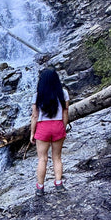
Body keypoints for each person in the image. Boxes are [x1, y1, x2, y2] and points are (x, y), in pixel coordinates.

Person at [30, 68, 69, 196]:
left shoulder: (37, 95)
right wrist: (63, 128)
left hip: (42, 128)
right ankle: (59, 184)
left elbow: (34, 116)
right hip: (58, 125)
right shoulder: (63, 93)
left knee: (42, 159)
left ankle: (40, 188)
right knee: (57, 157)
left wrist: (32, 133)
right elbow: (65, 112)